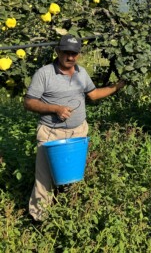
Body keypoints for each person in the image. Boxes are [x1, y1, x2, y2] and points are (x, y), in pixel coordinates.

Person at [24, 34, 125, 222]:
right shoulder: (44, 74)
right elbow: (29, 102)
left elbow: (93, 94)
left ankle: (70, 214)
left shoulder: (81, 73)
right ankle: (39, 219)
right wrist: (55, 109)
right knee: (44, 179)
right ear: (58, 51)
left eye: (74, 53)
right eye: (66, 53)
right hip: (51, 134)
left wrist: (116, 87)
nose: (70, 57)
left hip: (78, 132)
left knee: (73, 176)